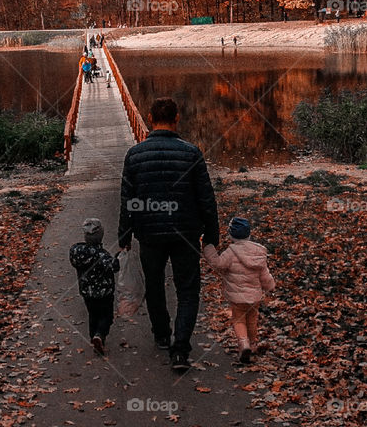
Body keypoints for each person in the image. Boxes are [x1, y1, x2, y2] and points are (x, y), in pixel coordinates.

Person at [118, 97, 219, 372]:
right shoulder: (191, 153)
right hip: (186, 232)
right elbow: (206, 198)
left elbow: (129, 198)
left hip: (149, 233)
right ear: (177, 119)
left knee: (154, 284)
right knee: (187, 290)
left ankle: (162, 334)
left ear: (151, 119)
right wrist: (212, 235)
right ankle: (181, 350)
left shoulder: (135, 155)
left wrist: (124, 235)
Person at [202, 217, 275, 364]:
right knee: (252, 320)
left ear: (231, 235)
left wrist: (208, 248)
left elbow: (218, 264)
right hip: (254, 297)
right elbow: (264, 274)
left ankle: (243, 344)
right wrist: (270, 286)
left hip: (237, 297)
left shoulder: (230, 253)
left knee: (239, 320)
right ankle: (253, 344)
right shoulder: (258, 253)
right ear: (249, 234)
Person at [70, 217, 119, 355]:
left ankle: (94, 338)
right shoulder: (102, 256)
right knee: (106, 316)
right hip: (104, 293)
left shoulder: (77, 252)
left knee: (93, 315)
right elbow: (114, 267)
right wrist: (119, 256)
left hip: (87, 292)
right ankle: (100, 335)